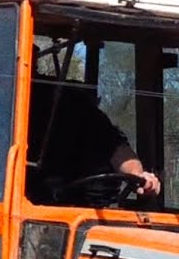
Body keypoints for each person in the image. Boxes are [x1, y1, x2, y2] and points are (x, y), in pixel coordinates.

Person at [26, 74, 161, 204]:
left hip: (88, 208)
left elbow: (116, 146)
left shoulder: (76, 106)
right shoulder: (15, 101)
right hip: (36, 206)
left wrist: (138, 175)